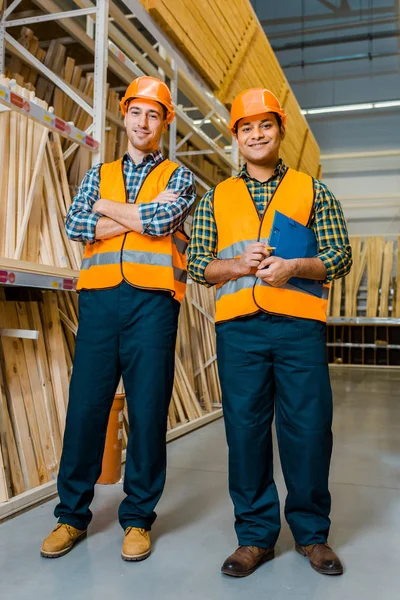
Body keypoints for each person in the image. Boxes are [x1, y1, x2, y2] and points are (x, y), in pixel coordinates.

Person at [188, 88, 352, 578]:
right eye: (246, 127)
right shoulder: (217, 196)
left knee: (308, 430)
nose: (256, 135)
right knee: (246, 433)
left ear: (280, 131)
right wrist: (238, 265)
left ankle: (312, 534)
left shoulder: (312, 190)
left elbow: (340, 256)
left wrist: (295, 266)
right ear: (236, 136)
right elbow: (198, 264)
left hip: (298, 329)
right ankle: (255, 537)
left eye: (265, 125)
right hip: (240, 332)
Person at [41, 76, 196, 562]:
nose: (143, 122)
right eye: (136, 113)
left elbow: (160, 223)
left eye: (154, 114)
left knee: (148, 412)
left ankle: (138, 519)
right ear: (124, 116)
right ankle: (71, 516)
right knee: (86, 406)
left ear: (164, 122)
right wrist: (130, 212)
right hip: (100, 303)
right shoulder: (98, 173)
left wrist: (106, 212)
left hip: (153, 303)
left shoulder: (180, 176)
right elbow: (74, 223)